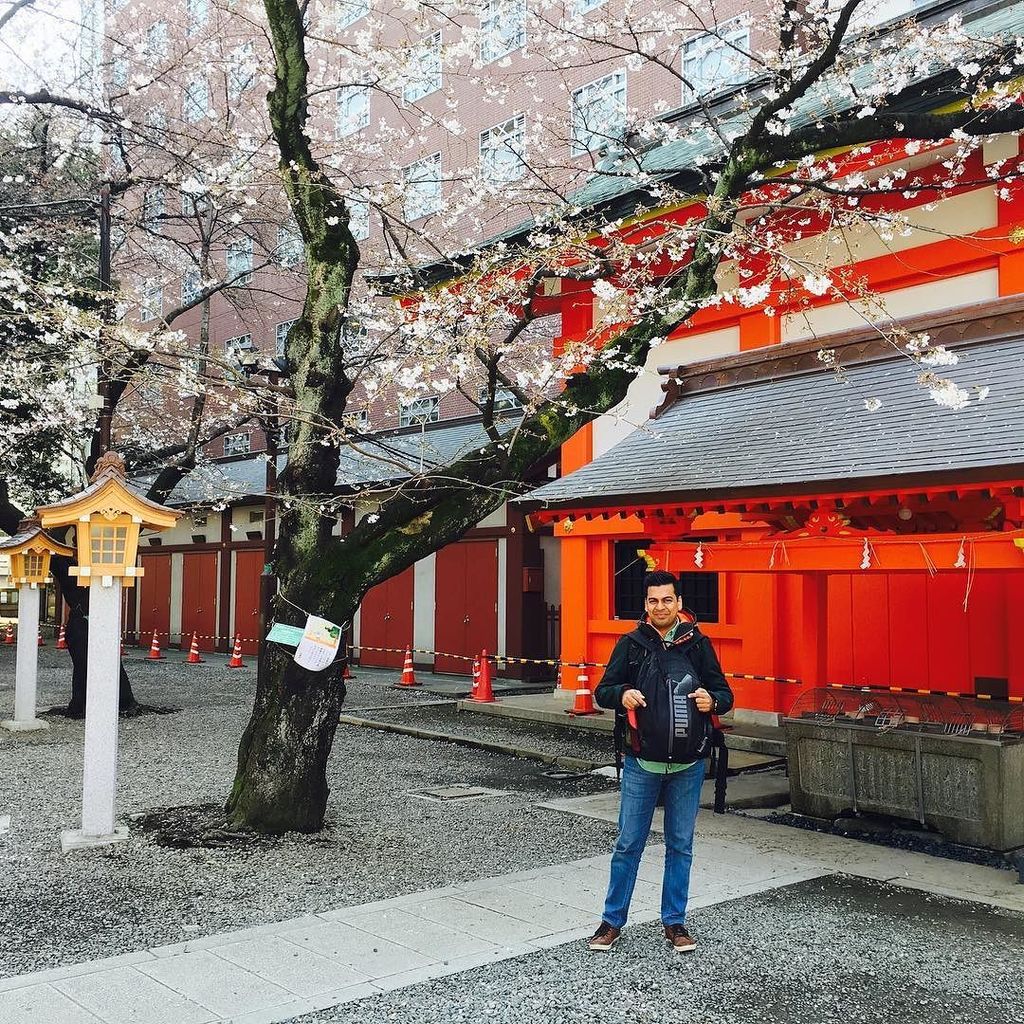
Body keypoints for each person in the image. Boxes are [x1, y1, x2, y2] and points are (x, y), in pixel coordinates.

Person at [588, 569, 733, 954]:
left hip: (688, 763)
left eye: (667, 600)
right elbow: (602, 690)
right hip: (642, 761)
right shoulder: (631, 644)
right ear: (645, 605)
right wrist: (622, 694)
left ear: (679, 603)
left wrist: (712, 701)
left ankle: (675, 923)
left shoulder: (698, 645)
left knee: (680, 845)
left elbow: (724, 692)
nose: (660, 607)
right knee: (628, 843)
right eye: (653, 601)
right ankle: (611, 921)